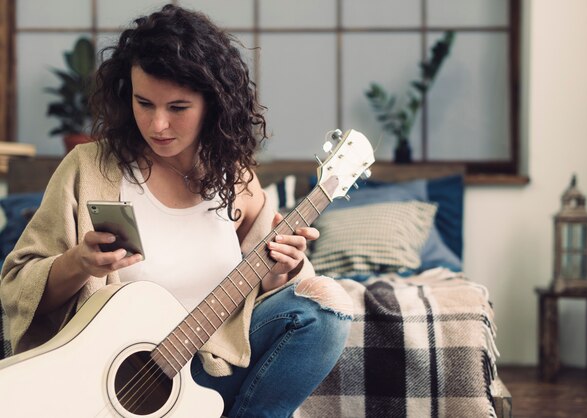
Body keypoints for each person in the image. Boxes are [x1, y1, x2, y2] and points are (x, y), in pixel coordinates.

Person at [0, 5, 352, 417]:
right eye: (144, 102)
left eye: (178, 108)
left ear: (213, 103)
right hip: (107, 380)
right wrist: (80, 262)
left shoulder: (236, 177)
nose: (158, 124)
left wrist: (284, 270)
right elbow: (16, 286)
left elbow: (270, 296)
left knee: (324, 310)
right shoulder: (88, 168)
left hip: (206, 370)